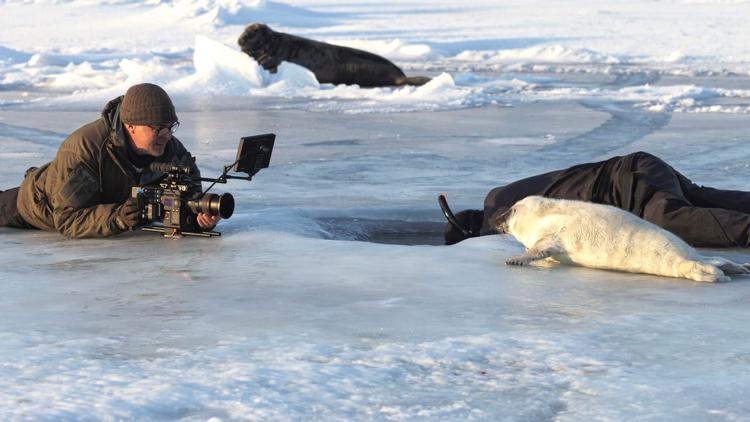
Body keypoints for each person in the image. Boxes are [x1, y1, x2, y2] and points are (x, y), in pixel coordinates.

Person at [0, 83, 221, 238]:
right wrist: (119, 218)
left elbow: (190, 192)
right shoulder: (83, 148)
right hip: (39, 204)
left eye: (171, 127)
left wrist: (198, 217)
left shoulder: (168, 147)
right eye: (158, 129)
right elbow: (68, 220)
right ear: (130, 125)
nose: (168, 135)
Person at [444, 151, 750, 248]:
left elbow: (504, 224)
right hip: (637, 166)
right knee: (699, 197)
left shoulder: (502, 212)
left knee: (669, 221)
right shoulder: (499, 194)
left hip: (628, 184)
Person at [238, 23, 431, 88]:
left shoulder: (280, 47)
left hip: (371, 68)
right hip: (340, 65)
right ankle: (396, 78)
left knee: (351, 65)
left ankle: (396, 79)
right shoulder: (279, 43)